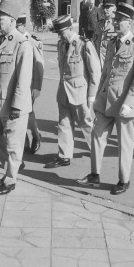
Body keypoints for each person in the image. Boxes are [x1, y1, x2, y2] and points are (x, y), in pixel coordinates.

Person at [77, 2, 134, 195]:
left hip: (124, 103)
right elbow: (105, 73)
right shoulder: (111, 43)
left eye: (121, 20)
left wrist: (130, 103)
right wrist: (96, 96)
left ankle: (124, 180)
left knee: (125, 144)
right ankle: (94, 175)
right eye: (115, 19)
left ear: (130, 23)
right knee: (97, 135)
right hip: (106, 100)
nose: (116, 23)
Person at [0, 0, 33, 196]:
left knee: (13, 144)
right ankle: (15, 165)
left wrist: (17, 106)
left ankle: (10, 179)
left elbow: (23, 79)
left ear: (11, 21)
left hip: (12, 104)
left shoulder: (22, 44)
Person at [45, 15, 100, 169]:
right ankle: (64, 156)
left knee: (86, 124)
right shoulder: (61, 44)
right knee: (64, 124)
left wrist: (91, 97)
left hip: (80, 93)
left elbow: (95, 72)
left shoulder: (84, 45)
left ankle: (97, 149)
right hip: (63, 92)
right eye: (58, 33)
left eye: (62, 32)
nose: (60, 36)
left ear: (70, 29)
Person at [16, 14, 44, 155]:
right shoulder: (13, 39)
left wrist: (37, 87)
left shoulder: (33, 42)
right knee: (16, 113)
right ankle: (23, 142)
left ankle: (36, 135)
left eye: (18, 26)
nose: (15, 29)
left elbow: (39, 66)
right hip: (15, 83)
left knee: (27, 112)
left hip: (29, 84)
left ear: (23, 26)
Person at [94, 0, 117, 66]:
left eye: (107, 7)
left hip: (111, 62)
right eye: (104, 7)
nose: (105, 10)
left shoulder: (117, 25)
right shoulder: (99, 24)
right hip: (98, 61)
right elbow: (95, 41)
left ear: (114, 8)